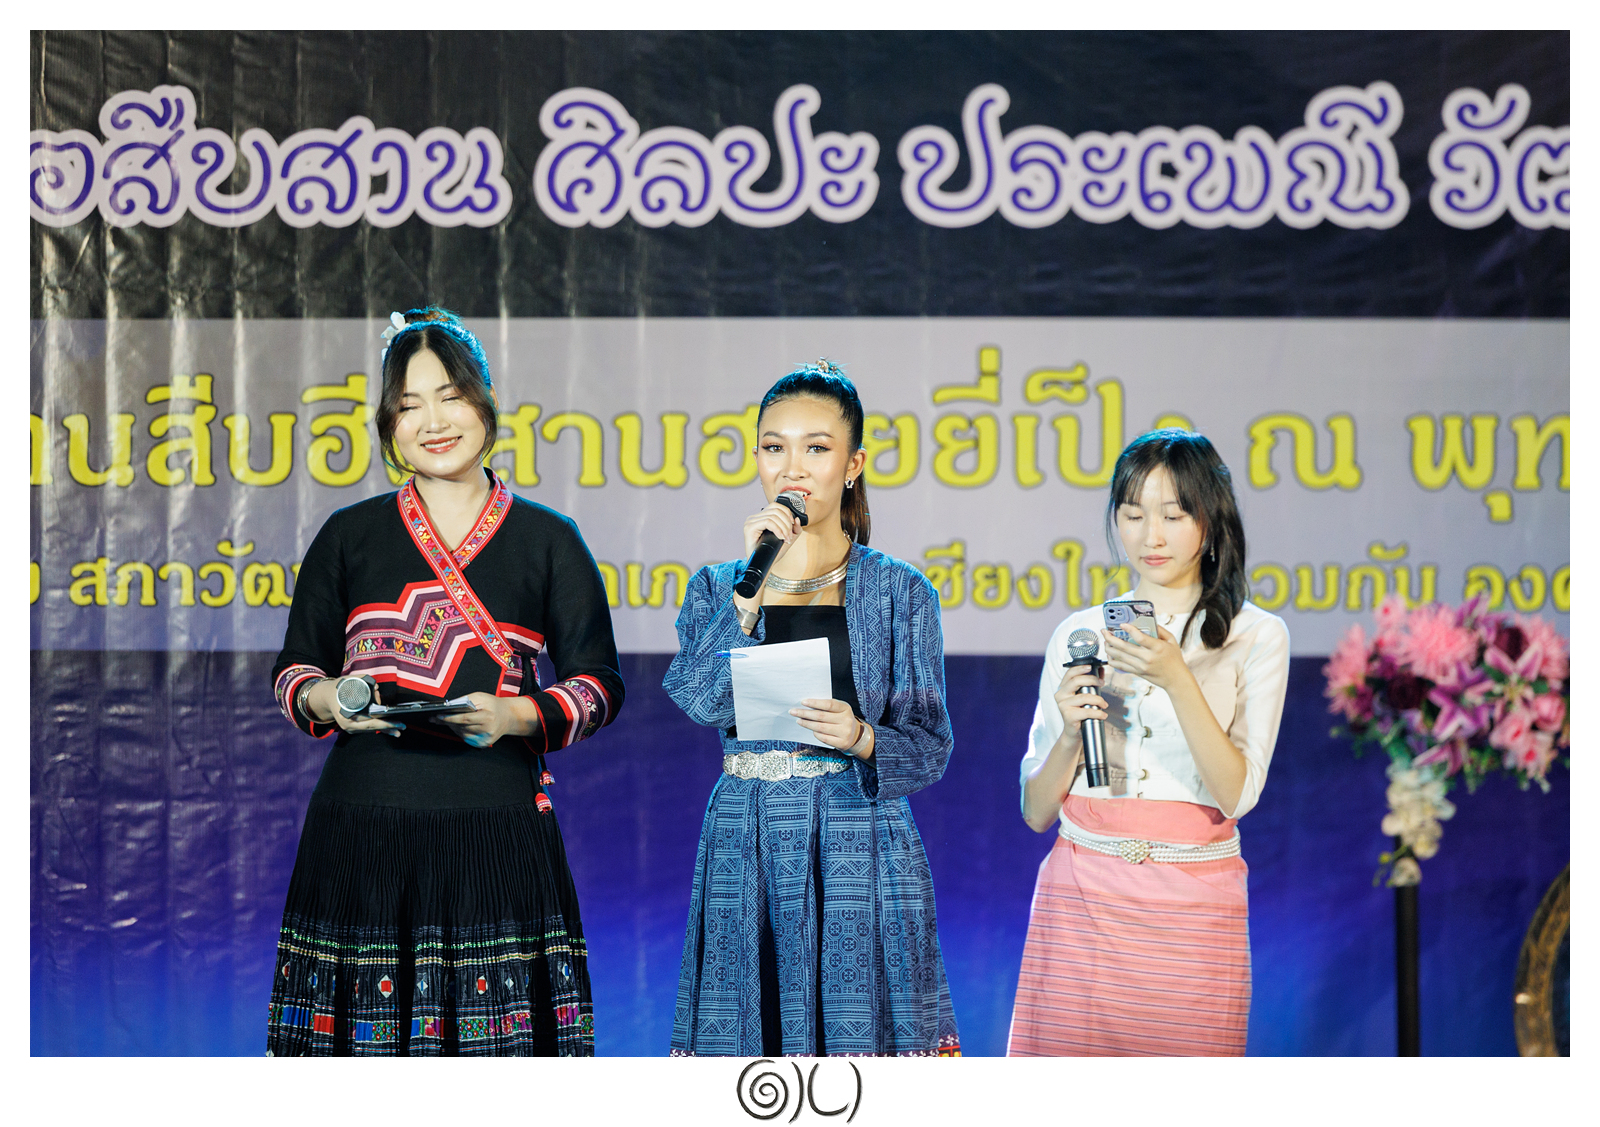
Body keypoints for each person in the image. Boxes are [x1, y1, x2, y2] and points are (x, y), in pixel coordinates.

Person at [266, 307, 624, 1056]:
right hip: (363, 828)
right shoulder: (349, 535)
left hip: (497, 825)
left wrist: (515, 715)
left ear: (485, 403)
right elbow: (294, 673)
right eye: (409, 405)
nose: (432, 421)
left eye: (450, 397)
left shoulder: (549, 539)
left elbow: (598, 686)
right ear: (388, 425)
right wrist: (332, 699)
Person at [664, 361, 961, 1057]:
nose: (792, 467)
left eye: (816, 448)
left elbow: (931, 745)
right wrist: (749, 598)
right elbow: (699, 699)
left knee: (861, 1048)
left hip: (858, 836)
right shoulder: (718, 587)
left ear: (853, 465)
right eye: (775, 447)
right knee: (751, 1040)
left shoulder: (900, 590)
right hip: (747, 835)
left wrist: (862, 738)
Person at [1008, 429, 1289, 1057]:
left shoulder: (1257, 636)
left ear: (1210, 522)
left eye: (1173, 515)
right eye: (1133, 515)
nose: (1150, 536)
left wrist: (1175, 677)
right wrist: (1072, 732)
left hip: (1193, 909)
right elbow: (1035, 812)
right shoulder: (1080, 632)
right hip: (1080, 898)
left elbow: (1237, 794)